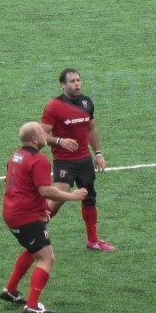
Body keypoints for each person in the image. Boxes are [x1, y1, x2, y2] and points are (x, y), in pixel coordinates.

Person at [0, 122, 89, 313]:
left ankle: (10, 291)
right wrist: (72, 196)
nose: (45, 134)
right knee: (46, 257)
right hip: (25, 216)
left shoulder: (16, 155)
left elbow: (17, 185)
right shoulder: (38, 160)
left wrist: (41, 209)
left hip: (12, 212)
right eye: (42, 133)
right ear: (34, 139)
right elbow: (45, 190)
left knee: (34, 250)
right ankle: (32, 305)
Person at [40, 68, 113, 251]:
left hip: (84, 160)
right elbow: (41, 135)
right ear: (63, 85)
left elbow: (91, 129)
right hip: (64, 161)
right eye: (72, 81)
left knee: (89, 197)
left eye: (78, 80)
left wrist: (98, 153)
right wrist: (59, 141)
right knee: (58, 199)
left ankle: (93, 240)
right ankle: (36, 230)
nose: (77, 84)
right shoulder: (53, 106)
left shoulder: (86, 102)